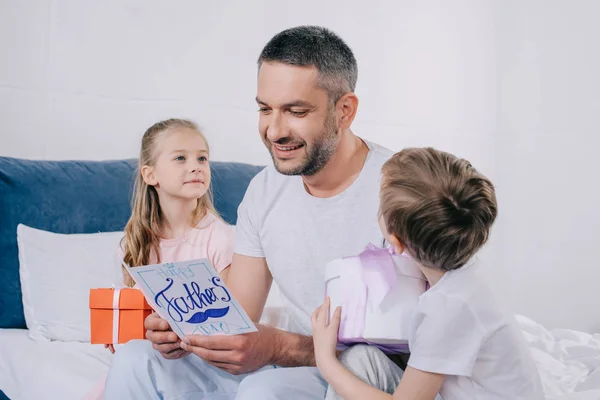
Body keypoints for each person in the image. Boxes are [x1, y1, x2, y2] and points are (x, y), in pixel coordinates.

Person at [104, 25, 394, 399]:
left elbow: (417, 354)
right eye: (264, 108)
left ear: (345, 111)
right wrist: (183, 329)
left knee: (263, 389)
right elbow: (236, 317)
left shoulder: (401, 189)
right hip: (301, 365)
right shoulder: (265, 190)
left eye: (295, 110)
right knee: (137, 357)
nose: (274, 131)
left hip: (367, 372)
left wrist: (278, 347)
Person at [312, 147, 545, 400]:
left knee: (352, 365)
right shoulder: (465, 272)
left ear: (397, 240)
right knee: (361, 358)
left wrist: (325, 360)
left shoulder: (446, 308)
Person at [84, 118, 235, 399]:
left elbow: (228, 321)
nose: (196, 166)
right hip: (150, 358)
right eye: (180, 157)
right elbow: (132, 315)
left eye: (202, 158)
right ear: (150, 175)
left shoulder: (219, 237)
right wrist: (119, 332)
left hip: (204, 365)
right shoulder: (133, 244)